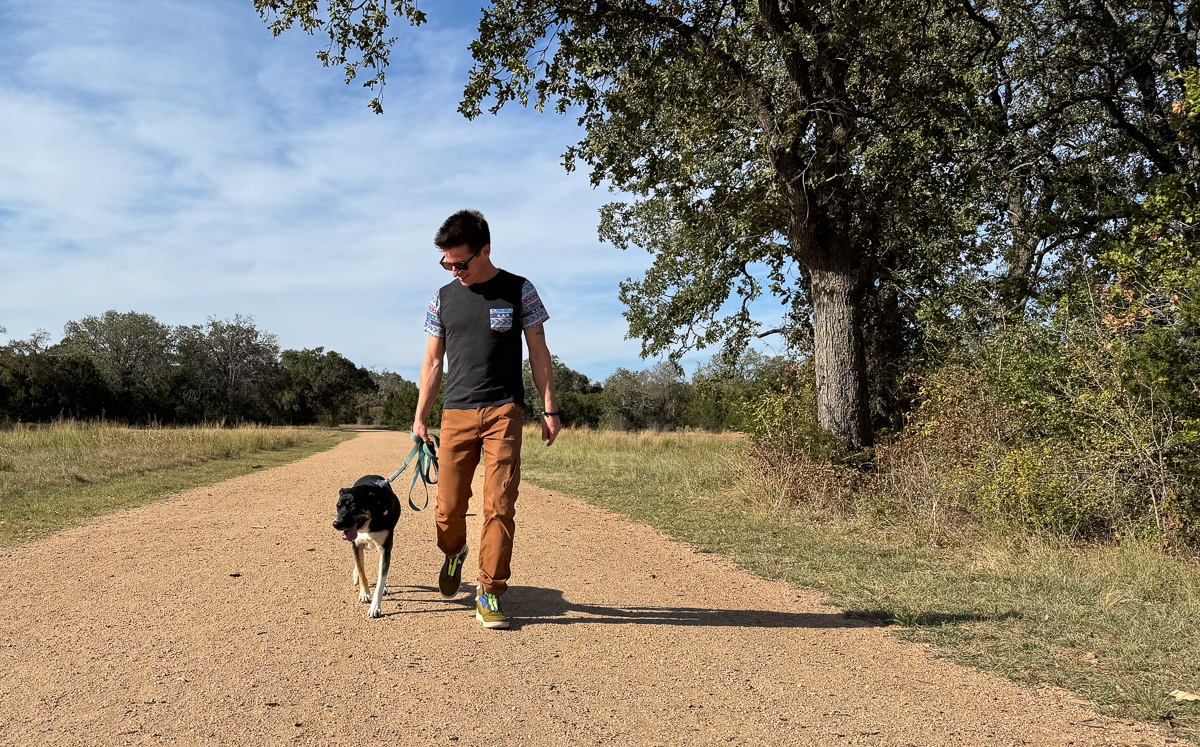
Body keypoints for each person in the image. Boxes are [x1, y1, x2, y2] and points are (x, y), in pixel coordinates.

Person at [412, 209, 561, 630]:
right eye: (447, 263)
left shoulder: (520, 290)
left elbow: (539, 353)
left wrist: (549, 407)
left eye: (461, 262)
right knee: (447, 511)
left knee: (498, 504)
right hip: (456, 412)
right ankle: (454, 553)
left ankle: (490, 591)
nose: (454, 270)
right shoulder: (442, 297)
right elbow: (432, 362)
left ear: (486, 251)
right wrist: (421, 418)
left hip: (504, 411)